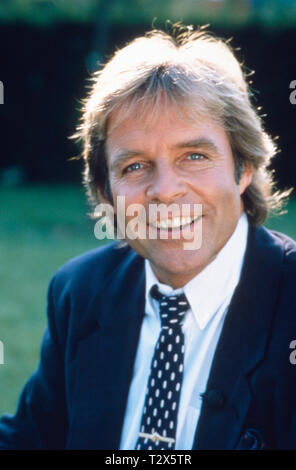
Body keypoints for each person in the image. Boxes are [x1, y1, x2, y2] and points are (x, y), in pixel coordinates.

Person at [0, 24, 296, 450]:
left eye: (194, 156)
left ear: (244, 167)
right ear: (105, 191)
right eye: (134, 166)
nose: (164, 190)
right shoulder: (81, 292)